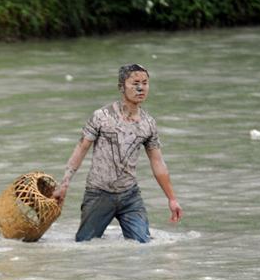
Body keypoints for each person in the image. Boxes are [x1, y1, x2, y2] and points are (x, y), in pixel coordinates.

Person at [52, 64, 183, 243]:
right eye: (135, 83)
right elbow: (81, 148)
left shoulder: (148, 124)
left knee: (143, 245)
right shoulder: (102, 116)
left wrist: (172, 199)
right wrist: (64, 183)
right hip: (99, 193)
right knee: (84, 246)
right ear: (121, 87)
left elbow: (158, 162)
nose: (140, 88)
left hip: (130, 196)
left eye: (145, 83)